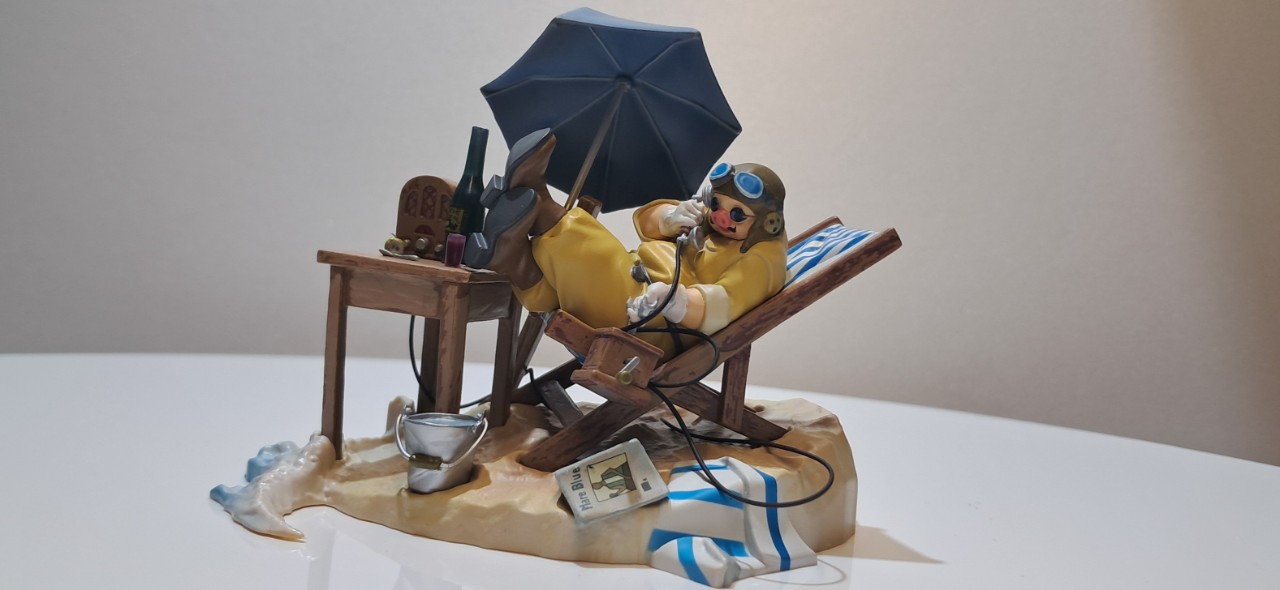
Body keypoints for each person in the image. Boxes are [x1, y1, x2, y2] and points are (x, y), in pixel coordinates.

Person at [463, 128, 788, 355]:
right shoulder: (721, 223)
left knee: (597, 253)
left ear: (767, 222)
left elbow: (722, 305)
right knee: (555, 281)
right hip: (635, 282)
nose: (720, 216)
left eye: (736, 214)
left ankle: (539, 202)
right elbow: (646, 224)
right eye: (716, 203)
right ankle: (510, 256)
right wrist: (671, 216)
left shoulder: (760, 261)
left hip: (647, 323)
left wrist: (674, 301)